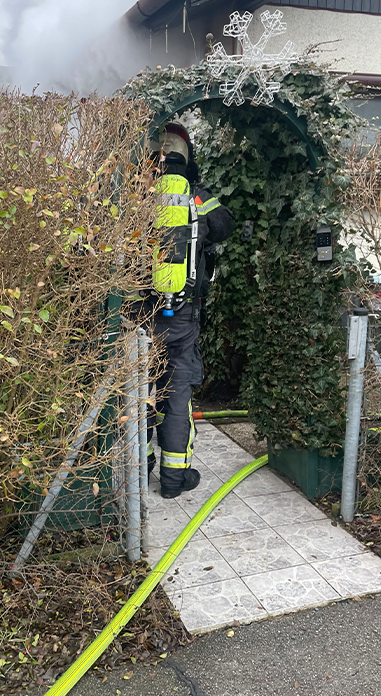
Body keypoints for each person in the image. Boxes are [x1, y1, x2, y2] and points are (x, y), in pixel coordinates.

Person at [145, 122, 234, 499]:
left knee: (139, 393)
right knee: (177, 394)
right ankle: (174, 479)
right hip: (182, 315)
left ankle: (139, 469)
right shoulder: (197, 198)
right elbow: (225, 226)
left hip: (142, 316)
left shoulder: (138, 196)